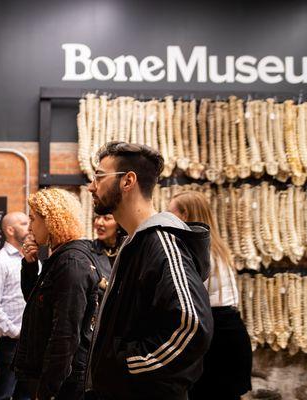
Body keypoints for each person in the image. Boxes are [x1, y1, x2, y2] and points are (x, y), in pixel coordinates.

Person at [86, 141, 213, 400]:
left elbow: (192, 325)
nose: (92, 186)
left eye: (99, 176)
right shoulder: (136, 243)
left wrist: (126, 364)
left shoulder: (162, 243)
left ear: (128, 181)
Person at [14, 188, 101, 400]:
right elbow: (36, 303)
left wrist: (47, 391)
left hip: (64, 383)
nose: (30, 228)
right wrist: (30, 265)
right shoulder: (61, 258)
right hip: (50, 376)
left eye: (33, 219)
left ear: (51, 221)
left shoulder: (71, 262)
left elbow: (66, 333)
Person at [168, 191, 252, 400]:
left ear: (185, 215)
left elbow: (189, 301)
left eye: (171, 214)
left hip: (214, 338)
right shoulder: (219, 248)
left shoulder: (196, 252)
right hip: (232, 332)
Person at [0, 211, 31, 400]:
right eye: (24, 223)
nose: (30, 227)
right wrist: (15, 332)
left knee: (25, 396)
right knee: (3, 394)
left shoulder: (30, 260)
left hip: (29, 342)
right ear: (10, 230)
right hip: (12, 342)